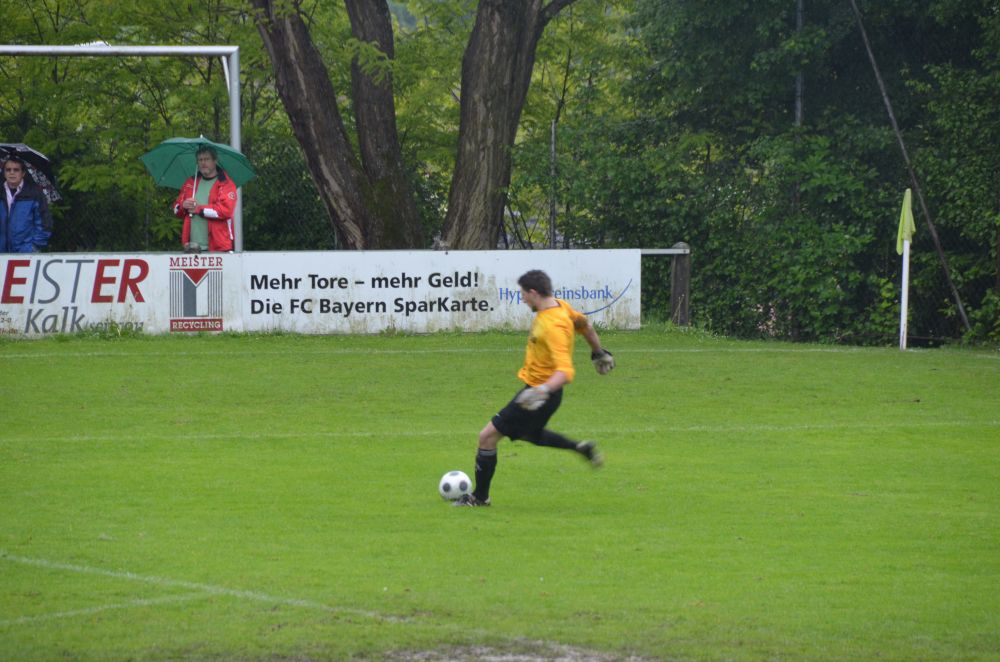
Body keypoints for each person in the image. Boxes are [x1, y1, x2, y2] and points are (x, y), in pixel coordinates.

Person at [454, 269, 617, 507]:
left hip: (539, 394)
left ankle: (480, 498)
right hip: (545, 394)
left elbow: (565, 371)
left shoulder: (553, 326)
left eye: (523, 294)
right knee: (529, 433)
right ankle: (580, 448)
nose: (522, 299)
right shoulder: (560, 306)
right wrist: (598, 352)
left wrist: (541, 391)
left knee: (486, 437)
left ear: (533, 292)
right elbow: (585, 325)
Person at [173, 146, 237, 252]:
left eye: (207, 159)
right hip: (192, 247)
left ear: (215, 161)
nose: (203, 163)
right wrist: (183, 205)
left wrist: (199, 209)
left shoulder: (226, 184)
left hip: (219, 246)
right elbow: (176, 209)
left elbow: (226, 211)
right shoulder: (190, 183)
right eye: (200, 160)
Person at [0, 157, 52, 253]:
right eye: (8, 170)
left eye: (16, 170)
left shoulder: (35, 194)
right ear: (4, 173)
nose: (12, 173)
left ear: (23, 173)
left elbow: (45, 223)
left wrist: (34, 247)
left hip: (25, 253)